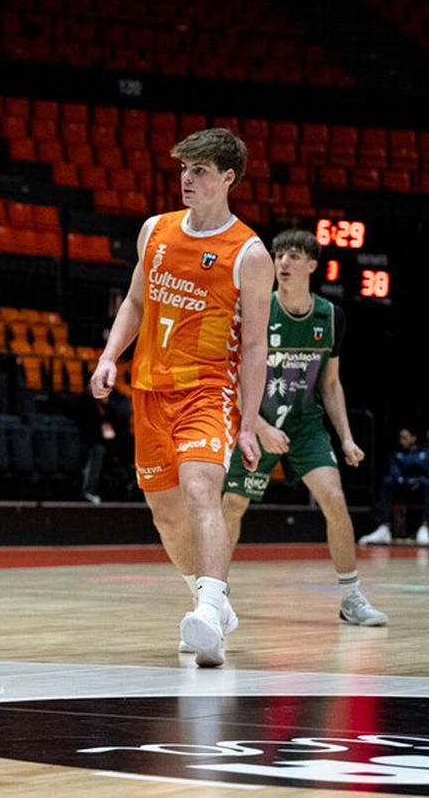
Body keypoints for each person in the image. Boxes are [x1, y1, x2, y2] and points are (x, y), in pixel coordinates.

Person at [90, 127, 272, 667]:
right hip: (149, 389)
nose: (186, 180)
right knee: (166, 516)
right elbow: (135, 303)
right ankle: (210, 603)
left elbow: (258, 344)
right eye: (183, 170)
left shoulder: (249, 253)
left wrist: (248, 421)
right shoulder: (156, 230)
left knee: (200, 491)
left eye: (198, 171)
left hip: (208, 389)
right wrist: (108, 356)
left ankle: (210, 612)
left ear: (227, 178)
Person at [218, 228, 387, 628]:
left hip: (306, 425)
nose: (283, 263)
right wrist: (256, 425)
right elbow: (232, 376)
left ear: (313, 264)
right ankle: (215, 597)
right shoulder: (257, 308)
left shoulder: (331, 317)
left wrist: (345, 436)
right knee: (233, 505)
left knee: (335, 497)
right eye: (278, 256)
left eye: (293, 256)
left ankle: (351, 598)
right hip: (256, 422)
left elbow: (330, 383)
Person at [357, 428, 429, 545]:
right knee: (387, 481)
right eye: (400, 438)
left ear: (414, 438)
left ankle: (425, 526)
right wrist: (406, 481)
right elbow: (394, 474)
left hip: (422, 491)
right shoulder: (397, 455)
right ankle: (384, 527)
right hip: (403, 490)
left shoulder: (428, 454)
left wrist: (417, 480)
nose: (402, 441)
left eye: (405, 438)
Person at [81, 384, 132, 504]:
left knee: (134, 446)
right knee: (97, 450)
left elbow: (124, 416)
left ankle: (132, 486)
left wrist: (108, 404)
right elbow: (84, 421)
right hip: (96, 440)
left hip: (119, 440)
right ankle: (89, 491)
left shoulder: (119, 398)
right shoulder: (88, 400)